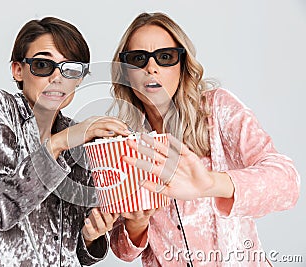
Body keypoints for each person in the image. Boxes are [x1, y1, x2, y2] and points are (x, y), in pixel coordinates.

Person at [108, 12, 300, 266]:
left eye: (165, 57)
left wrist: (211, 184)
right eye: (137, 59)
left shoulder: (218, 109)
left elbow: (287, 183)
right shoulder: (122, 142)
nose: (151, 67)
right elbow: (124, 251)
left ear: (182, 63)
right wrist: (136, 224)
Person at [0, 17, 130, 267]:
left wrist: (92, 236)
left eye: (70, 69)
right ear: (18, 69)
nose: (57, 78)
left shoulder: (78, 137)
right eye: (42, 64)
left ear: (79, 78)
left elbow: (78, 251)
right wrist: (60, 143)